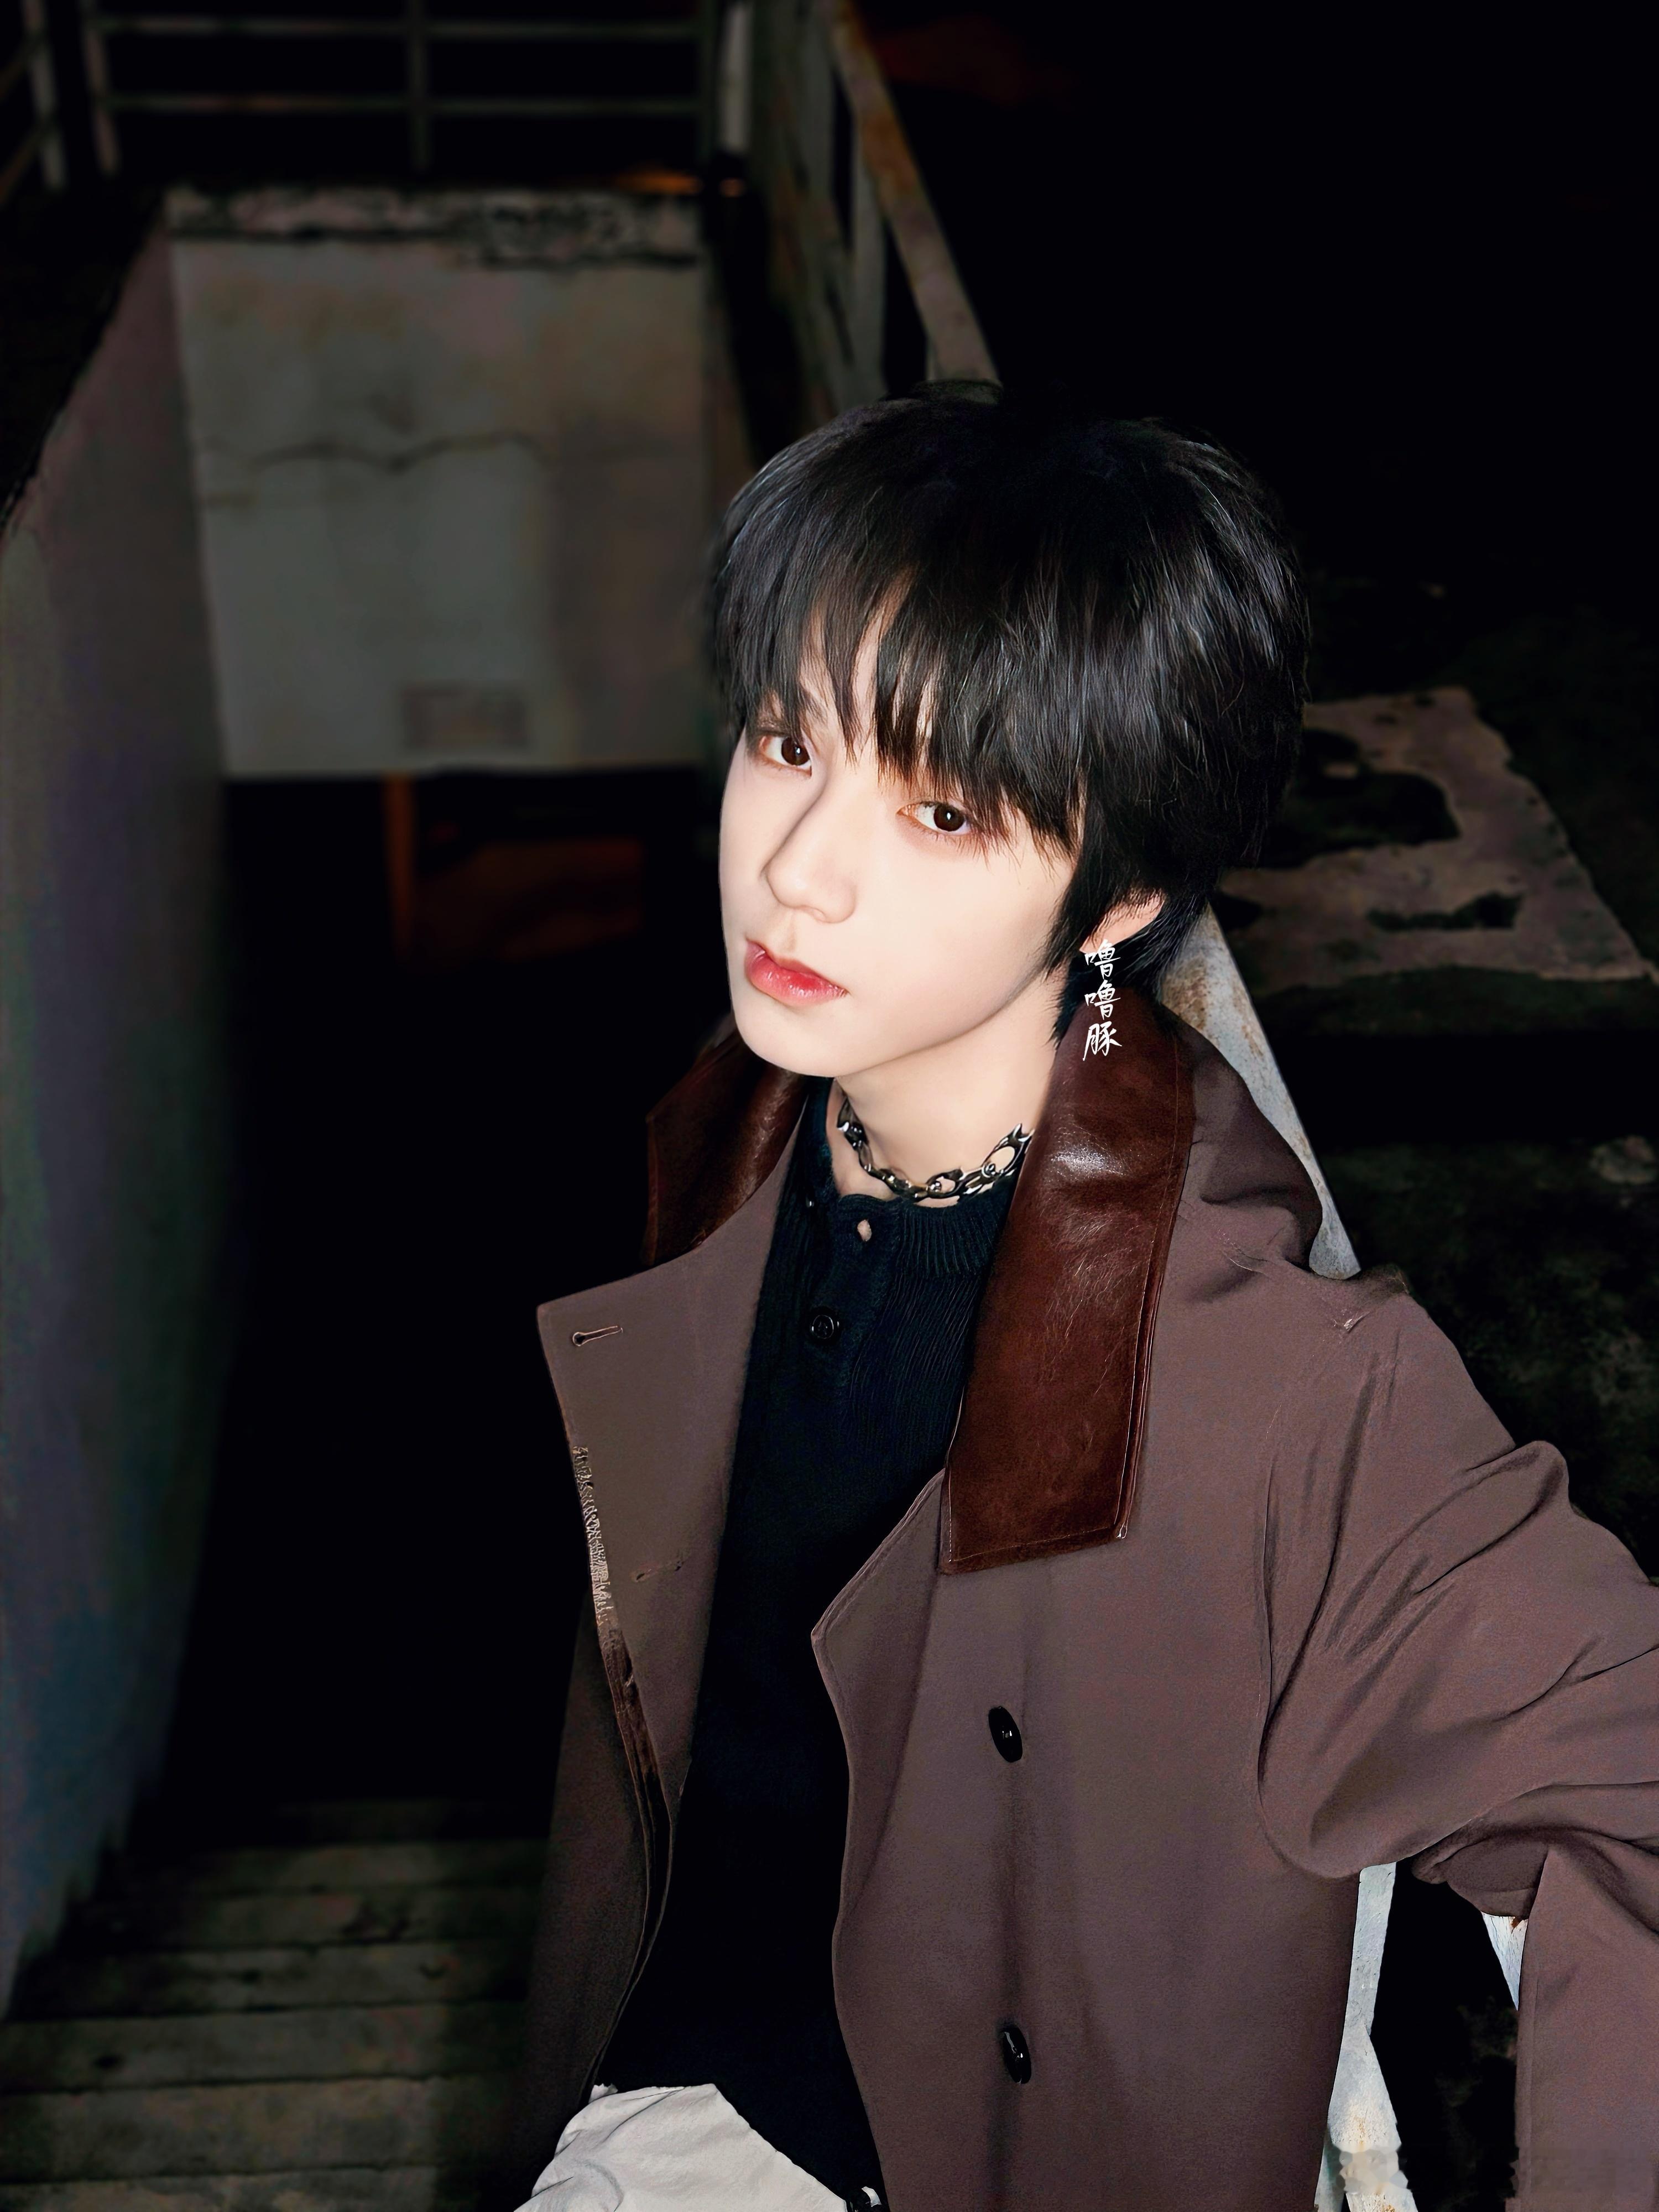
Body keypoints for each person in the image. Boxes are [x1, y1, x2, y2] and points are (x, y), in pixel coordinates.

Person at [499, 388, 1659, 2211]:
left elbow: (1626, 1786)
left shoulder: (1280, 1379)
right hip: (672, 2101)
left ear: (1118, 898)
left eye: (941, 808)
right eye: (788, 741)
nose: (798, 868)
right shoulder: (721, 1148)